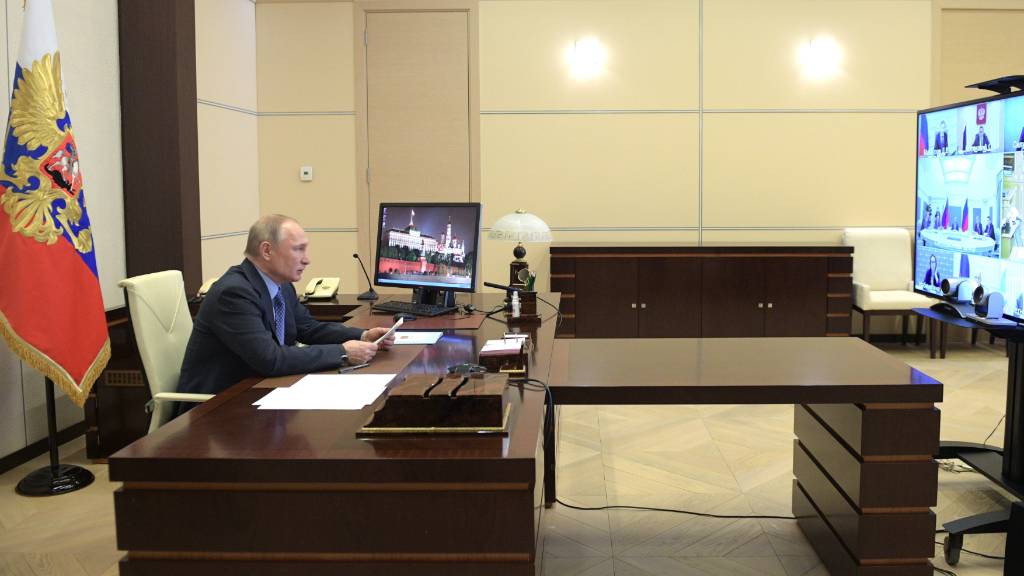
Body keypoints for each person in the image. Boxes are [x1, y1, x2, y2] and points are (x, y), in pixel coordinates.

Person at [177, 214, 395, 402]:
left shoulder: (281, 286)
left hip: (261, 390)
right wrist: (343, 352)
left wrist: (362, 335)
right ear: (267, 250)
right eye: (298, 249)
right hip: (219, 405)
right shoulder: (234, 293)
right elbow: (270, 359)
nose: (307, 260)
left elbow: (308, 328)